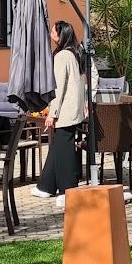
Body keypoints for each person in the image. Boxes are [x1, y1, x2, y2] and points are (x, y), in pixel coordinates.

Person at [31, 20, 86, 208]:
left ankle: (67, 189)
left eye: (53, 31)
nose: (51, 34)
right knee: (58, 146)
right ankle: (46, 186)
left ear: (60, 34)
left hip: (65, 110)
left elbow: (58, 88)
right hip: (74, 109)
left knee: (63, 149)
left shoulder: (62, 55)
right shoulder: (76, 53)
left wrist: (52, 113)